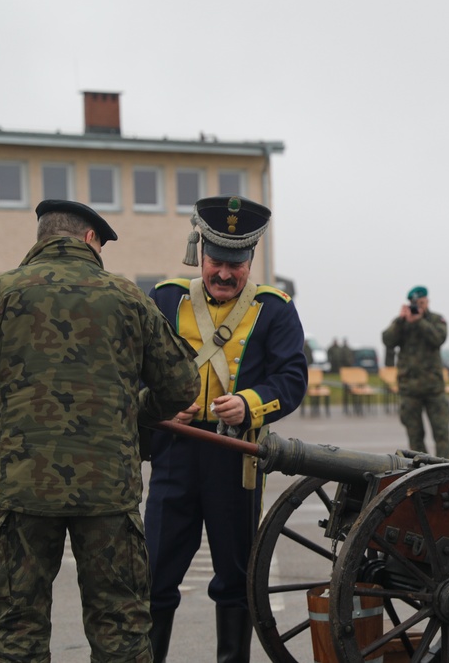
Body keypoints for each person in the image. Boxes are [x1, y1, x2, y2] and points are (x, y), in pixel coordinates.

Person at [0, 199, 200, 662]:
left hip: (21, 493)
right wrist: (138, 409)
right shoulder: (128, 298)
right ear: (89, 239)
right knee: (120, 635)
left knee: (16, 635)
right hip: (108, 494)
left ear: (42, 238)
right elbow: (182, 387)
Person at [144, 195, 308, 663]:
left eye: (236, 265)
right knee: (156, 574)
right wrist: (158, 405)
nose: (224, 274)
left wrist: (250, 404)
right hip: (176, 451)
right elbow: (135, 366)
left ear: (250, 261)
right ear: (200, 253)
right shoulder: (165, 298)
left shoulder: (275, 309)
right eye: (216, 261)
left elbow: (292, 378)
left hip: (236, 456)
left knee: (235, 580)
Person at [382, 286, 449, 459]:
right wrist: (401, 320)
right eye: (415, 303)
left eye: (422, 302)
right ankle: (423, 475)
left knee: (442, 435)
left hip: (433, 388)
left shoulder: (436, 319)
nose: (418, 306)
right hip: (410, 389)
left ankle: (448, 471)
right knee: (415, 438)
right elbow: (387, 340)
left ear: (427, 301)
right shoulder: (402, 322)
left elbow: (438, 338)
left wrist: (420, 321)